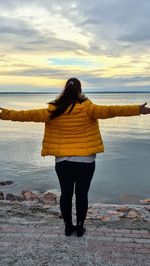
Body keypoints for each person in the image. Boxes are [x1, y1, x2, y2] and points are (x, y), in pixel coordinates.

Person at [0, 77, 150, 237]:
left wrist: (5, 114)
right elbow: (112, 110)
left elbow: (27, 115)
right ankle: (79, 227)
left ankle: (67, 226)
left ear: (64, 90)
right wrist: (137, 109)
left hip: (63, 161)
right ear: (79, 90)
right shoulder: (88, 108)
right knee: (82, 194)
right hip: (86, 161)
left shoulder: (53, 110)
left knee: (66, 194)